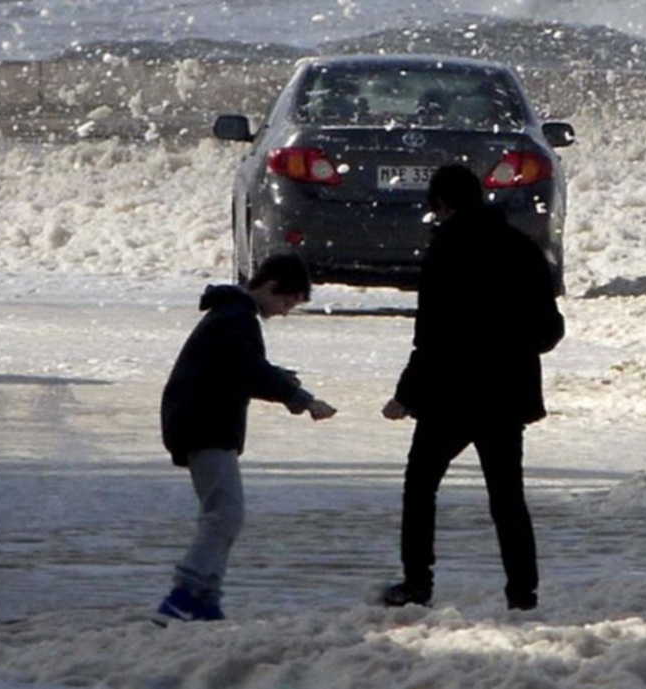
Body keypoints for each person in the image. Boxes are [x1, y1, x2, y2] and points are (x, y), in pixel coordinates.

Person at [381, 164, 565, 611]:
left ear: (442, 204)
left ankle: (417, 583)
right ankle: (523, 592)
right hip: (504, 394)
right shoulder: (523, 250)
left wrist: (406, 393)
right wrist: (508, 344)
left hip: (450, 394)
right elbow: (549, 331)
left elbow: (432, 334)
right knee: (507, 497)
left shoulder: (446, 252)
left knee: (420, 486)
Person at [154, 253, 337, 624]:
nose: (284, 312)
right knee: (224, 515)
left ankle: (206, 598)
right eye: (285, 302)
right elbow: (250, 371)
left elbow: (239, 368)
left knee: (224, 514)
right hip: (205, 425)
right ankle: (184, 594)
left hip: (198, 422)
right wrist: (301, 399)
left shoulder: (231, 315)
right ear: (270, 287)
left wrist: (278, 377)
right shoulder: (238, 319)